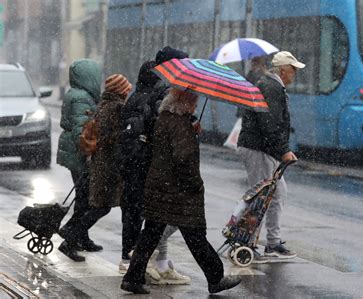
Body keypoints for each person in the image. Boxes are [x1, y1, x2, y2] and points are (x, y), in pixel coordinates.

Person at [121, 88, 241, 295]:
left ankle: (132, 277)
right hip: (178, 191)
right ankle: (215, 278)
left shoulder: (165, 119)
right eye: (193, 102)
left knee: (151, 233)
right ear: (183, 103)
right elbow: (183, 159)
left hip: (160, 187)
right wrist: (196, 184)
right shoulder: (179, 124)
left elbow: (168, 148)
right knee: (195, 235)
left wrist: (190, 131)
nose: (195, 106)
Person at [119, 47, 191, 285]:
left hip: (143, 164)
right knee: (168, 216)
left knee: (153, 216)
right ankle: (139, 259)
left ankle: (147, 265)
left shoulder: (148, 91)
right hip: (152, 165)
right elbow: (161, 130)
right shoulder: (163, 92)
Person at [237, 51, 304, 260]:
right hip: (258, 148)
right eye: (293, 70)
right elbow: (270, 124)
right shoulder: (271, 87)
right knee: (260, 197)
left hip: (262, 147)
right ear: (283, 70)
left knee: (276, 193)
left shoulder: (271, 85)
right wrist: (283, 150)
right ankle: (244, 241)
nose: (295, 74)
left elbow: (271, 124)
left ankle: (272, 243)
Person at [56, 59, 104, 262]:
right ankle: (70, 238)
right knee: (85, 200)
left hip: (74, 153)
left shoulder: (77, 94)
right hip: (79, 156)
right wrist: (88, 155)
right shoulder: (82, 98)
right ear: (89, 76)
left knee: (83, 196)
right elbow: (81, 130)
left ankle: (81, 237)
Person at [89, 74, 132, 218]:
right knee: (103, 205)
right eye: (126, 90)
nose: (128, 93)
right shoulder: (117, 107)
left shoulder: (104, 104)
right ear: (120, 91)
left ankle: (74, 232)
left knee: (100, 204)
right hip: (109, 161)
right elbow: (111, 135)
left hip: (100, 160)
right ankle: (74, 232)